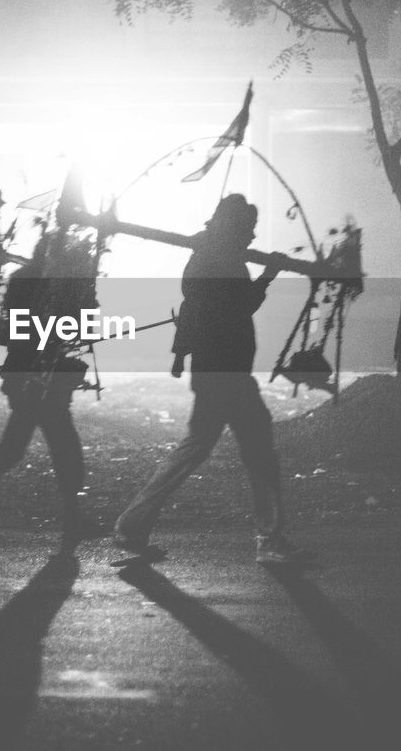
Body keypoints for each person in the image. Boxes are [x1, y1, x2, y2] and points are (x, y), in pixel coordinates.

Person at [112, 194, 313, 565]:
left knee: (199, 448)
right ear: (234, 226)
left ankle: (132, 525)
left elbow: (197, 307)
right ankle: (269, 539)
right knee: (256, 448)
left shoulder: (213, 258)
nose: (252, 236)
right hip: (224, 371)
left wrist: (179, 354)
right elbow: (237, 307)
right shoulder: (218, 261)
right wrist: (270, 274)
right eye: (248, 228)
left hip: (218, 369)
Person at [0, 231, 106, 539]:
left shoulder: (46, 281)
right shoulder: (33, 282)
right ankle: (71, 518)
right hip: (32, 378)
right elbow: (25, 326)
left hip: (38, 377)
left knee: (20, 449)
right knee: (58, 447)